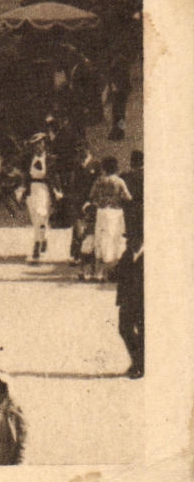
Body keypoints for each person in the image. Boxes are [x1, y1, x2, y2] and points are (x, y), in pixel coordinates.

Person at [89, 156, 131, 271]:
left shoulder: (99, 180)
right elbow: (128, 197)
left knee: (101, 237)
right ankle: (112, 268)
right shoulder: (119, 181)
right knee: (114, 238)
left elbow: (92, 195)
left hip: (102, 211)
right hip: (115, 211)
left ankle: (99, 271)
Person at [23, 134, 56, 262]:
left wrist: (56, 193)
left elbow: (53, 176)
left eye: (40, 144)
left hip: (44, 188)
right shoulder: (28, 159)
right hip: (32, 188)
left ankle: (36, 244)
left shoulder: (50, 159)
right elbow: (24, 174)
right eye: (35, 144)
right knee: (35, 217)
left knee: (41, 215)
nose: (38, 147)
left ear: (44, 145)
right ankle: (42, 238)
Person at [116, 243, 145, 378]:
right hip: (127, 300)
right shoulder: (127, 253)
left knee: (143, 332)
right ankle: (138, 361)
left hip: (143, 302)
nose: (129, 241)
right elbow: (118, 272)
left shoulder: (150, 255)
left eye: (133, 237)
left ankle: (140, 365)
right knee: (124, 329)